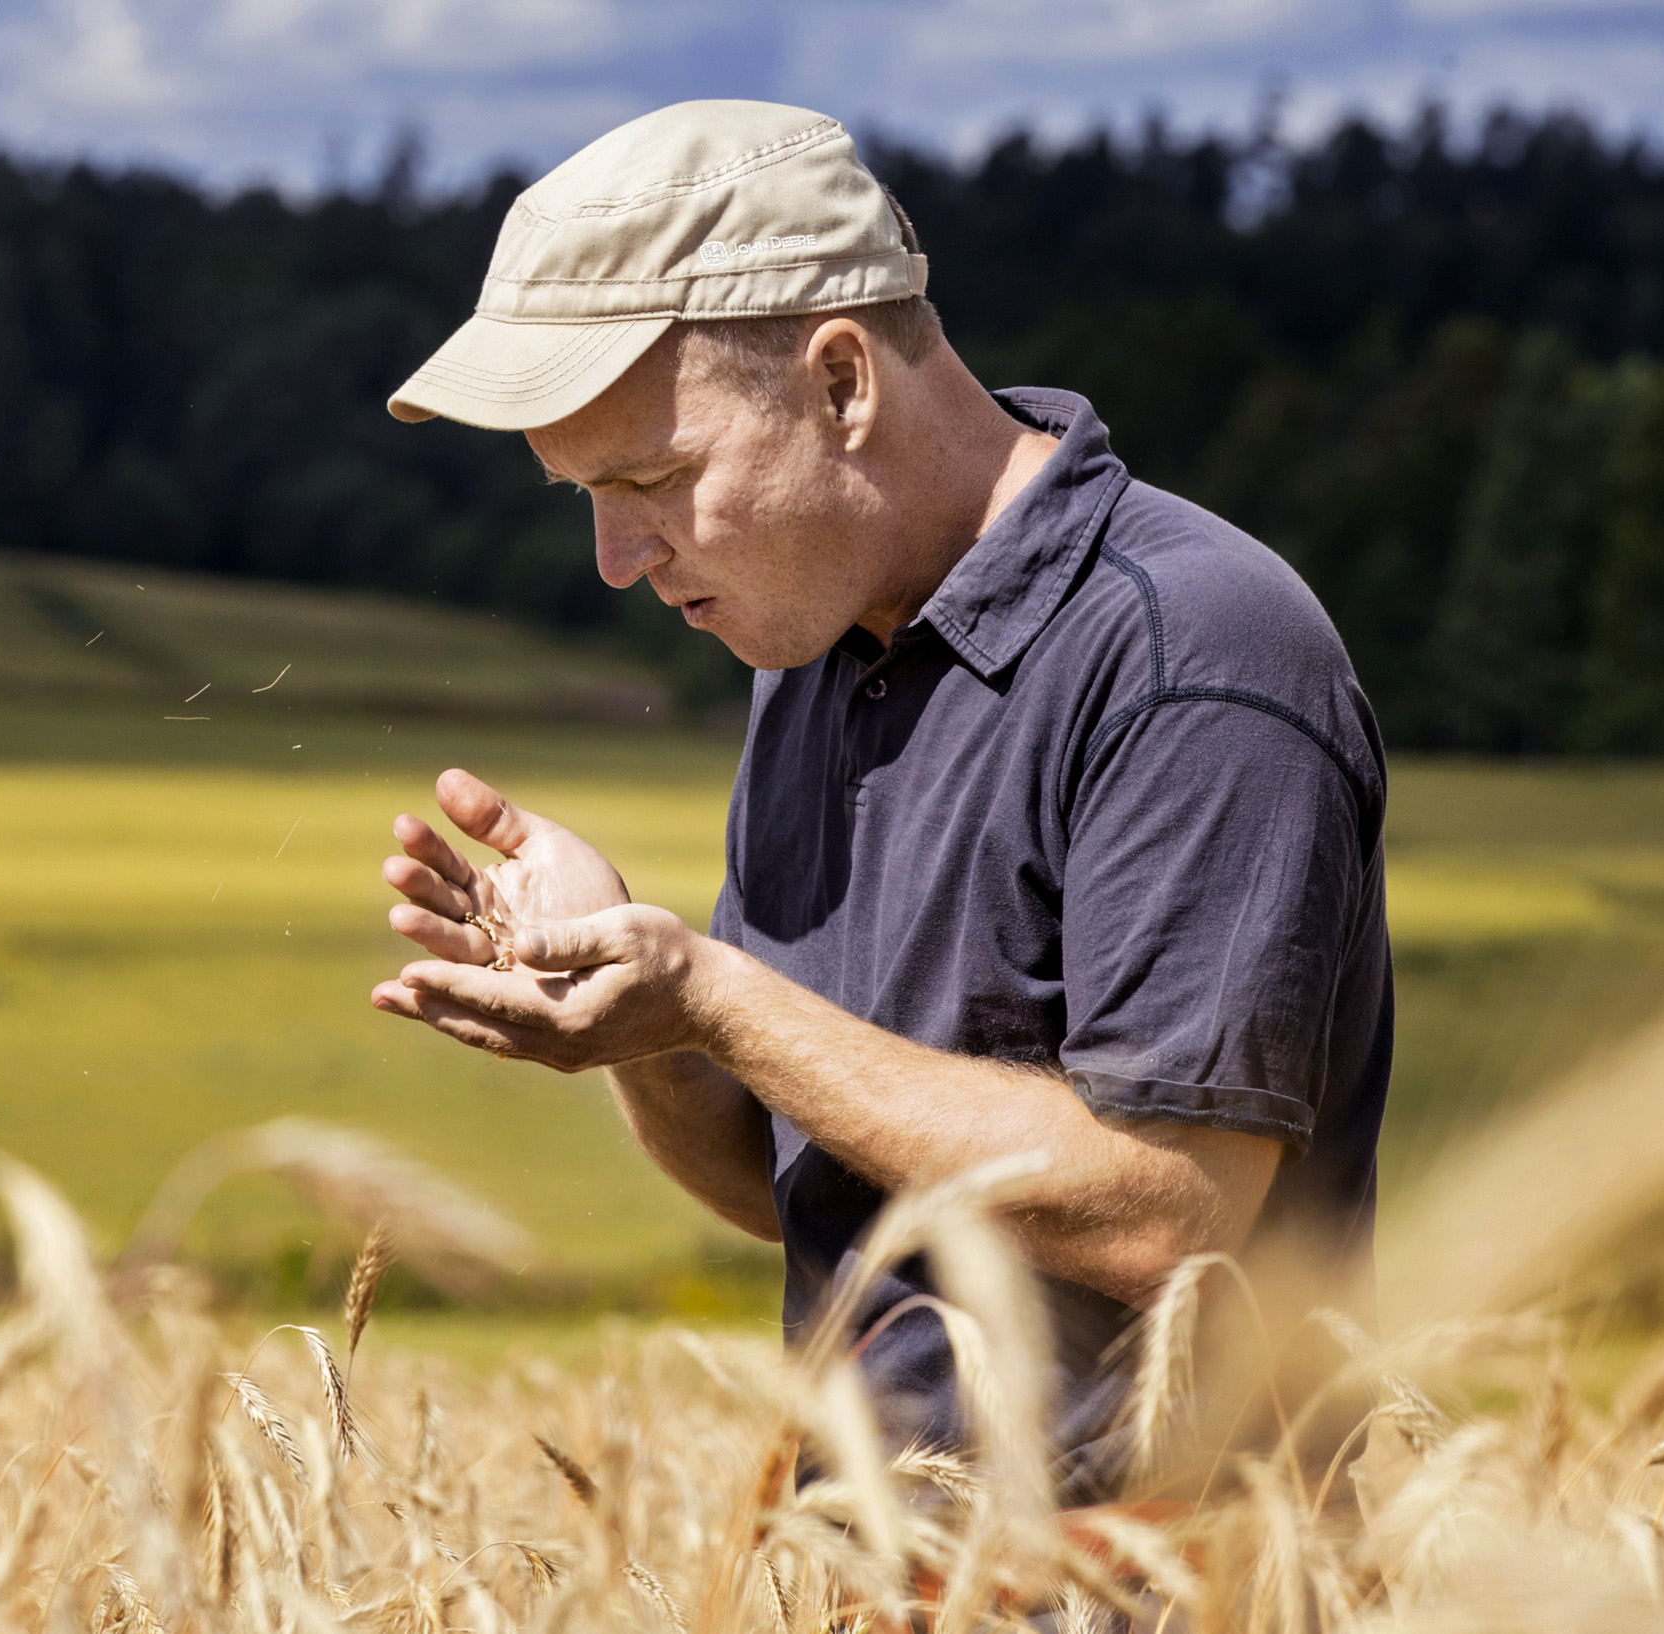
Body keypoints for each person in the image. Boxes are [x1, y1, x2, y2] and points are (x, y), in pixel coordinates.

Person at [370, 99, 1390, 1499]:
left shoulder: (1190, 651)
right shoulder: (812, 648)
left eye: (652, 477)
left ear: (841, 381)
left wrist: (716, 996)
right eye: (581, 496)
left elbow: (1169, 1209)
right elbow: (817, 1190)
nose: (615, 558)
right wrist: (637, 1030)